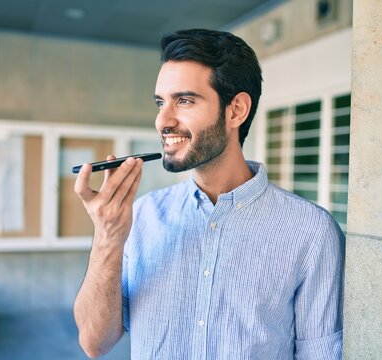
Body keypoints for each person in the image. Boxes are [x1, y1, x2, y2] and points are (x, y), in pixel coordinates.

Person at [73, 29, 345, 359]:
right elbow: (94, 343)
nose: (163, 120)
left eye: (184, 100)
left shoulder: (311, 232)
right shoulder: (142, 217)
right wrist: (107, 238)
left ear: (236, 110)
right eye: (161, 102)